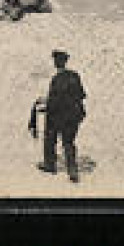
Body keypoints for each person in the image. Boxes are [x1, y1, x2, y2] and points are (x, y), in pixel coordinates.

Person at [35, 50, 86, 182]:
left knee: (50, 137)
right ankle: (72, 171)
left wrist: (44, 106)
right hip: (74, 115)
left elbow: (55, 101)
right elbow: (82, 94)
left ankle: (50, 165)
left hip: (59, 116)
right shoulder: (75, 76)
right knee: (69, 143)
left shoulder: (56, 79)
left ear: (56, 63)